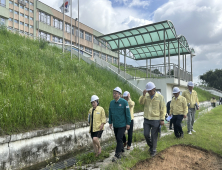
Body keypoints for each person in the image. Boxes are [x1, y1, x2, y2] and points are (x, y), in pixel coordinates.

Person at [139, 82, 166, 156]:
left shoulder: (160, 97)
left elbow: (163, 108)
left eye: (150, 91)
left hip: (155, 119)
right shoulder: (146, 96)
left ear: (154, 89)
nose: (149, 92)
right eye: (148, 91)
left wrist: (162, 119)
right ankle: (151, 146)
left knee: (154, 136)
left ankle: (153, 150)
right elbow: (140, 102)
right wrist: (143, 95)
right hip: (147, 119)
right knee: (146, 134)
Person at [109, 87, 131, 162]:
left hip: (122, 124)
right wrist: (110, 122)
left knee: (119, 138)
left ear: (119, 94)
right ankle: (122, 151)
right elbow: (110, 113)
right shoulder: (112, 103)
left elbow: (128, 114)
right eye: (113, 93)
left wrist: (128, 123)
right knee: (118, 139)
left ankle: (117, 154)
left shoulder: (124, 102)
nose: (114, 94)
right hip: (115, 124)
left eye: (115, 93)